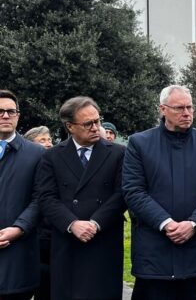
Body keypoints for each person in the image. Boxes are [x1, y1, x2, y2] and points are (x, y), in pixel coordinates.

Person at [122, 85, 196, 300]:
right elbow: (133, 191)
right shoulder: (139, 143)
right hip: (155, 250)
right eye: (179, 108)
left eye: (190, 107)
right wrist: (165, 223)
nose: (187, 113)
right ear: (163, 109)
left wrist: (194, 223)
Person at [37, 96, 126, 300]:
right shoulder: (52, 156)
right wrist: (72, 224)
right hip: (68, 240)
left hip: (104, 238)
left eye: (97, 121)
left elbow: (122, 194)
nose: (96, 128)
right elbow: (47, 197)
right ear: (70, 126)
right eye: (88, 124)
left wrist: (95, 223)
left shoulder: (118, 153)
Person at [0, 90, 44, 300]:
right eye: (0, 111)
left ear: (18, 115)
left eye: (10, 111)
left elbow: (41, 197)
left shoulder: (36, 154)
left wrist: (19, 228)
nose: (5, 116)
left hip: (18, 254)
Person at [22, 125, 54, 299]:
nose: (48, 143)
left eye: (49, 139)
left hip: (48, 237)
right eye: (42, 140)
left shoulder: (55, 165)